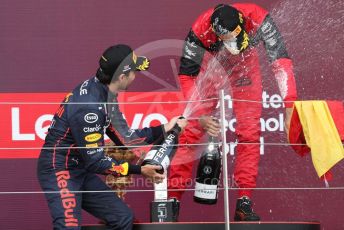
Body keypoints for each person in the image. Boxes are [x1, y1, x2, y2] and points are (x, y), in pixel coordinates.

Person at [168, 3, 297, 221]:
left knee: (249, 133)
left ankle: (244, 203)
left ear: (242, 23)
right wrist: (199, 114)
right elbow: (186, 76)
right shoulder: (200, 30)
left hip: (245, 67)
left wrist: (289, 106)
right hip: (212, 66)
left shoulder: (257, 18)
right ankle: (171, 203)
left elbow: (280, 62)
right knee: (190, 131)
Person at [37, 44, 187, 230]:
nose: (136, 76)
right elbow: (96, 163)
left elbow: (126, 139)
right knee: (68, 227)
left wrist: (165, 128)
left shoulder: (106, 92)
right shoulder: (90, 108)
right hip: (60, 168)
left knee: (123, 218)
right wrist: (141, 171)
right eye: (134, 72)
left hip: (80, 168)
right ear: (122, 77)